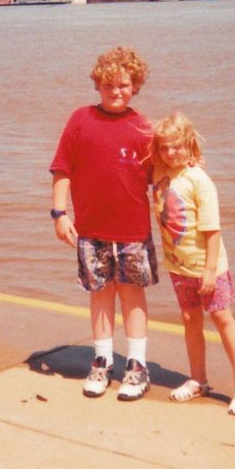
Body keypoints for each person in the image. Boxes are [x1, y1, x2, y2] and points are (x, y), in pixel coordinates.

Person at [50, 46, 157, 401]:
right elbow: (62, 168)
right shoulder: (80, 119)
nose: (116, 91)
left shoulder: (144, 128)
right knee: (100, 294)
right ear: (98, 85)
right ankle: (102, 362)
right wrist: (59, 213)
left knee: (132, 294)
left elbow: (163, 178)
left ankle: (137, 367)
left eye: (124, 85)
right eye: (109, 85)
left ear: (135, 86)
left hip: (133, 231)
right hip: (91, 230)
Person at [150, 111, 235, 416]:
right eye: (165, 147)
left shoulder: (200, 181)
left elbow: (212, 230)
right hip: (179, 266)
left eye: (178, 146)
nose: (171, 153)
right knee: (190, 319)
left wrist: (209, 271)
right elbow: (142, 139)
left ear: (190, 145)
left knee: (222, 318)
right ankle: (198, 379)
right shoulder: (159, 171)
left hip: (208, 267)